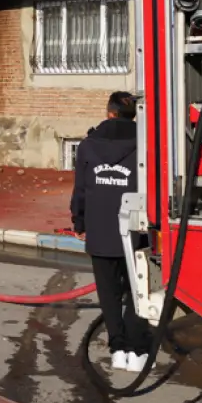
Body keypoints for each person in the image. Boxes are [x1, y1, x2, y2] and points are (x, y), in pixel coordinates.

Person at [70, 91, 153, 373]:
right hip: (136, 232)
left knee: (108, 294)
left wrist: (79, 223)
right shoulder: (145, 144)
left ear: (109, 113)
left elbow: (80, 190)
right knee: (138, 291)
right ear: (133, 115)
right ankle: (137, 351)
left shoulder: (88, 145)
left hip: (100, 230)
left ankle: (117, 349)